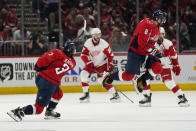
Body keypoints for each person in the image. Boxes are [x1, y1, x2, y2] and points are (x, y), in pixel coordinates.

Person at [7, 41, 76, 122]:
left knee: (58, 94)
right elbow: (59, 59)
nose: (73, 53)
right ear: (70, 51)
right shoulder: (72, 62)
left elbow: (44, 59)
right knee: (38, 109)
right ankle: (18, 112)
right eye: (73, 51)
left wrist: (38, 67)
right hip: (48, 82)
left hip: (49, 81)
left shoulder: (57, 53)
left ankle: (49, 112)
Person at [102, 10, 167, 93]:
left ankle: (141, 80)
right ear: (156, 18)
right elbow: (141, 43)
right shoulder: (146, 24)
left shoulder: (156, 27)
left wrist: (156, 51)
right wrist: (155, 51)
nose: (163, 20)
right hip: (136, 52)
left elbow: (150, 43)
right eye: (161, 18)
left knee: (158, 68)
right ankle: (110, 77)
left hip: (146, 52)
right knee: (127, 77)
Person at [137, 27, 190, 107]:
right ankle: (147, 98)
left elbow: (174, 56)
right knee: (145, 77)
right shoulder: (151, 43)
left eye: (161, 34)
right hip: (154, 65)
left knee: (169, 82)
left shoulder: (168, 43)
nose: (159, 36)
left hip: (165, 65)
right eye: (157, 34)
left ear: (164, 34)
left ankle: (181, 97)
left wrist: (176, 66)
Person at [79, 28, 120, 103]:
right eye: (96, 35)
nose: (98, 36)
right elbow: (83, 55)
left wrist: (110, 65)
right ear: (92, 36)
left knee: (101, 80)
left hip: (102, 64)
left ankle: (115, 95)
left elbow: (110, 56)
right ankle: (86, 94)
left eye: (99, 35)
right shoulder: (88, 43)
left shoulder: (104, 44)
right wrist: (88, 62)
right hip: (91, 63)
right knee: (83, 75)